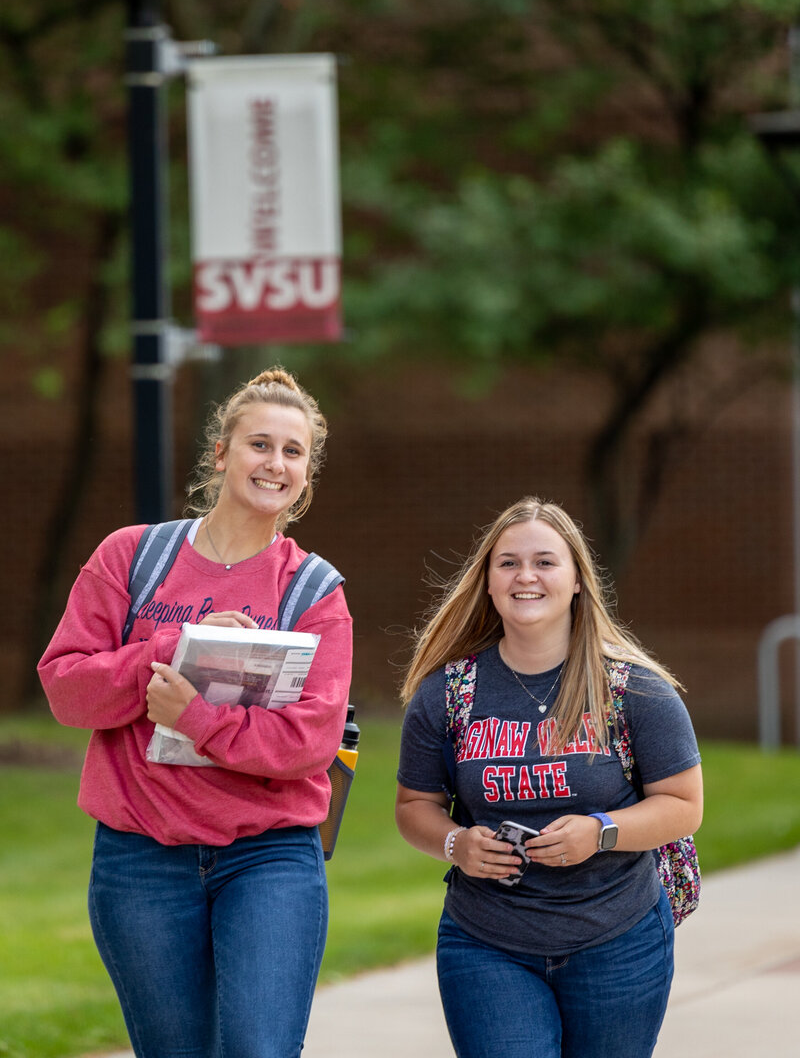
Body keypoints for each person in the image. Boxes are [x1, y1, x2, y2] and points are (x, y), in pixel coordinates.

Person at [39, 367, 352, 1058]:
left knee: (258, 1050)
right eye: (259, 444)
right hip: (140, 859)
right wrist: (175, 646)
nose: (274, 464)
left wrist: (196, 718)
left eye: (292, 452)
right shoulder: (132, 557)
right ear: (221, 453)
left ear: (306, 473)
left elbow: (309, 740)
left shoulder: (313, 590)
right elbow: (66, 689)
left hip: (268, 856)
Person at [396, 496, 702, 1058]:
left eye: (545, 561)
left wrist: (601, 831)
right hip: (486, 943)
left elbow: (684, 805)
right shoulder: (447, 695)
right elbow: (413, 804)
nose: (525, 576)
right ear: (487, 582)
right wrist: (455, 843)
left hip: (619, 940)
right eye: (508, 563)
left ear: (578, 580)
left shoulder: (635, 689)